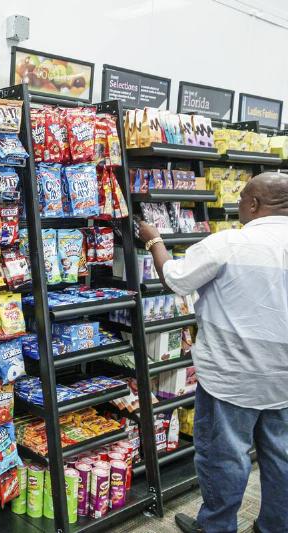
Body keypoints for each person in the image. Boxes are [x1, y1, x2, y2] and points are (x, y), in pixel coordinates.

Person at [138, 172, 288, 533]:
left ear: (254, 204)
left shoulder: (229, 243)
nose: (238, 205)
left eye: (241, 199)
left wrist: (153, 239)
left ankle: (216, 527)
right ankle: (275, 526)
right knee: (281, 457)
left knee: (225, 458)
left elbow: (174, 278)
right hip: (283, 378)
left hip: (230, 376)